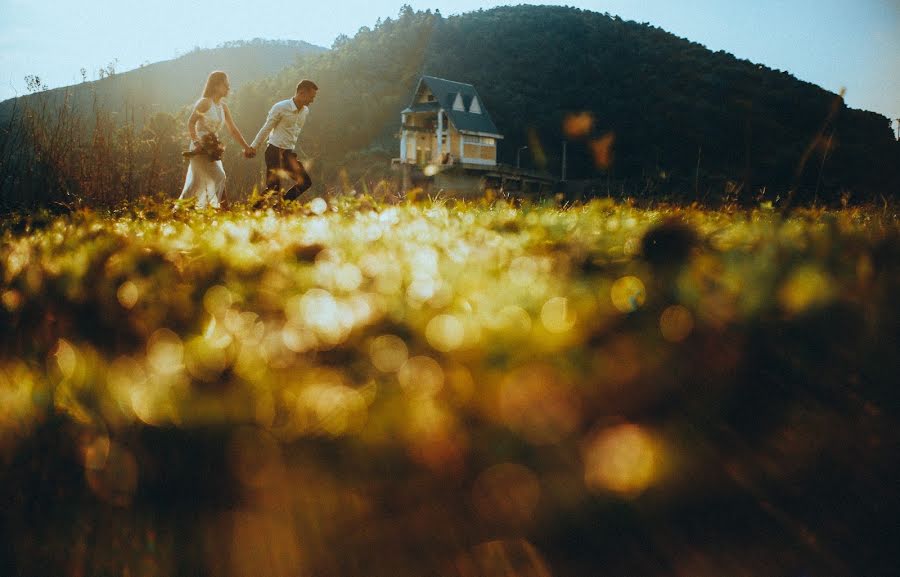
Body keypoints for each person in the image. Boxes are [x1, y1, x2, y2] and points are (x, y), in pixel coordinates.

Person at [178, 71, 253, 209]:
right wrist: (196, 143)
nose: (228, 87)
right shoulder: (205, 103)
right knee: (220, 176)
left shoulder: (223, 107)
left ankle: (179, 211)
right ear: (216, 86)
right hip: (200, 148)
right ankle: (218, 210)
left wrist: (246, 147)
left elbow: (233, 130)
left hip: (212, 149)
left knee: (196, 183)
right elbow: (191, 123)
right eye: (225, 84)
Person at [248, 80, 318, 200]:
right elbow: (267, 128)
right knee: (273, 189)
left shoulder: (305, 111)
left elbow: (293, 133)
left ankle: (281, 206)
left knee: (305, 182)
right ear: (302, 93)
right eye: (311, 97)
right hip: (274, 151)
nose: (312, 100)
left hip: (288, 154)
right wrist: (254, 146)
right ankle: (253, 210)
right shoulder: (280, 107)